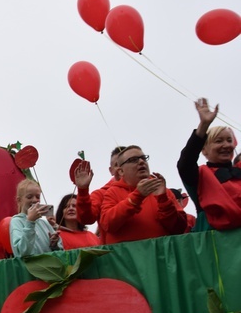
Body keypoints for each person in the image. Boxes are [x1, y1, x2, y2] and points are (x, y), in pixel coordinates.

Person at [177, 97, 241, 231]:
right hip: (215, 240)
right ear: (204, 149)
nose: (226, 145)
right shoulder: (200, 175)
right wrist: (203, 126)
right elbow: (185, 163)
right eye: (218, 141)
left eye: (229, 140)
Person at [100, 146, 188, 243]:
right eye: (133, 160)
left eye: (144, 158)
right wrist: (137, 196)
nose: (141, 162)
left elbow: (180, 228)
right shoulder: (112, 192)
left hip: (161, 256)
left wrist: (163, 199)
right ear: (121, 171)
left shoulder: (163, 191)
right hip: (127, 257)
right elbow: (107, 224)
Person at [74, 148, 125, 243]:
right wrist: (83, 191)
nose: (121, 168)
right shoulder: (101, 194)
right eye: (117, 164)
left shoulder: (151, 188)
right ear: (111, 170)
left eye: (126, 162)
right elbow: (86, 218)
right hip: (116, 256)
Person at [10, 180, 63, 257]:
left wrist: (54, 244)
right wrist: (30, 222)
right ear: (19, 200)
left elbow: (60, 251)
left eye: (37, 197)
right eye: (29, 197)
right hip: (31, 268)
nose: (35, 200)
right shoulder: (16, 221)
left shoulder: (44, 223)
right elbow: (22, 252)